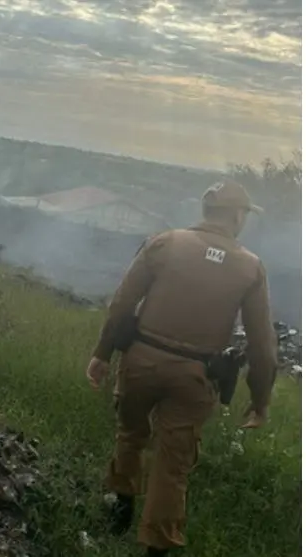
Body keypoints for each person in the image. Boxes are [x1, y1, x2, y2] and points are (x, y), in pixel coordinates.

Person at [85, 179, 278, 556]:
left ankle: (120, 508)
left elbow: (122, 303)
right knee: (173, 466)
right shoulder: (251, 268)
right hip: (196, 376)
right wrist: (260, 400)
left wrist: (102, 354)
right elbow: (262, 345)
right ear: (238, 216)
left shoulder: (164, 243)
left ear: (207, 211)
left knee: (130, 433)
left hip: (141, 360)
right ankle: (157, 545)